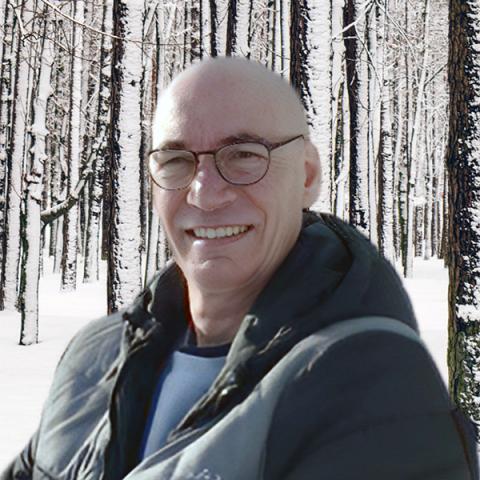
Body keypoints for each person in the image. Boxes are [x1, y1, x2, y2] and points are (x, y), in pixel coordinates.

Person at [2, 57, 478, 480]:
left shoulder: (375, 385)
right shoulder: (97, 355)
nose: (204, 193)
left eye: (244, 156)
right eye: (176, 160)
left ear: (308, 175)